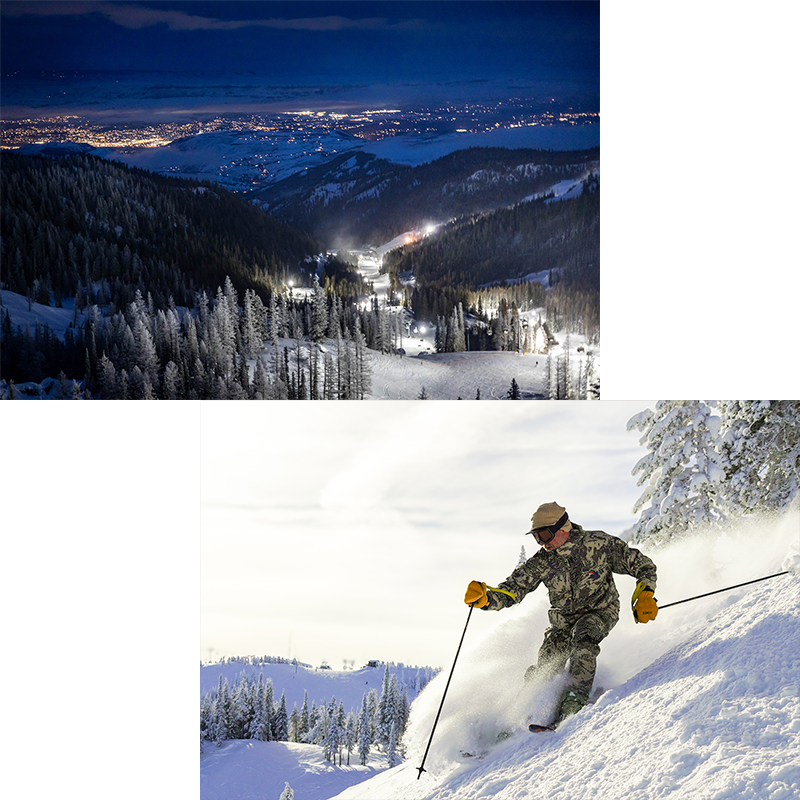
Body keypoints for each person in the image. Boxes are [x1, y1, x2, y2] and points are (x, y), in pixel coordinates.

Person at [465, 501, 658, 725]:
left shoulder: (599, 544)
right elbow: (512, 590)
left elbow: (643, 565)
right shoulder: (543, 561)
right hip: (563, 622)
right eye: (537, 537)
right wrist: (486, 598)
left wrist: (644, 594)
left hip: (600, 610)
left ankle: (574, 703)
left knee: (583, 639)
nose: (542, 543)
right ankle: (523, 716)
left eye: (545, 535)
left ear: (563, 528)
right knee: (547, 663)